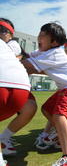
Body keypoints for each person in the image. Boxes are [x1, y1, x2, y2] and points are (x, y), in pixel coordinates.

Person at [22, 22, 67, 166]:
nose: (39, 37)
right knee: (47, 109)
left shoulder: (53, 53)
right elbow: (27, 57)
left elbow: (27, 65)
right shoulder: (43, 52)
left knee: (59, 115)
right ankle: (60, 134)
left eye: (44, 35)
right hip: (66, 87)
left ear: (55, 42)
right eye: (40, 33)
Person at [0, 18, 36, 166]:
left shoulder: (13, 45)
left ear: (10, 33)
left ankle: (4, 138)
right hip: (17, 87)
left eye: (2, 31)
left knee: (30, 107)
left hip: (10, 85)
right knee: (30, 106)